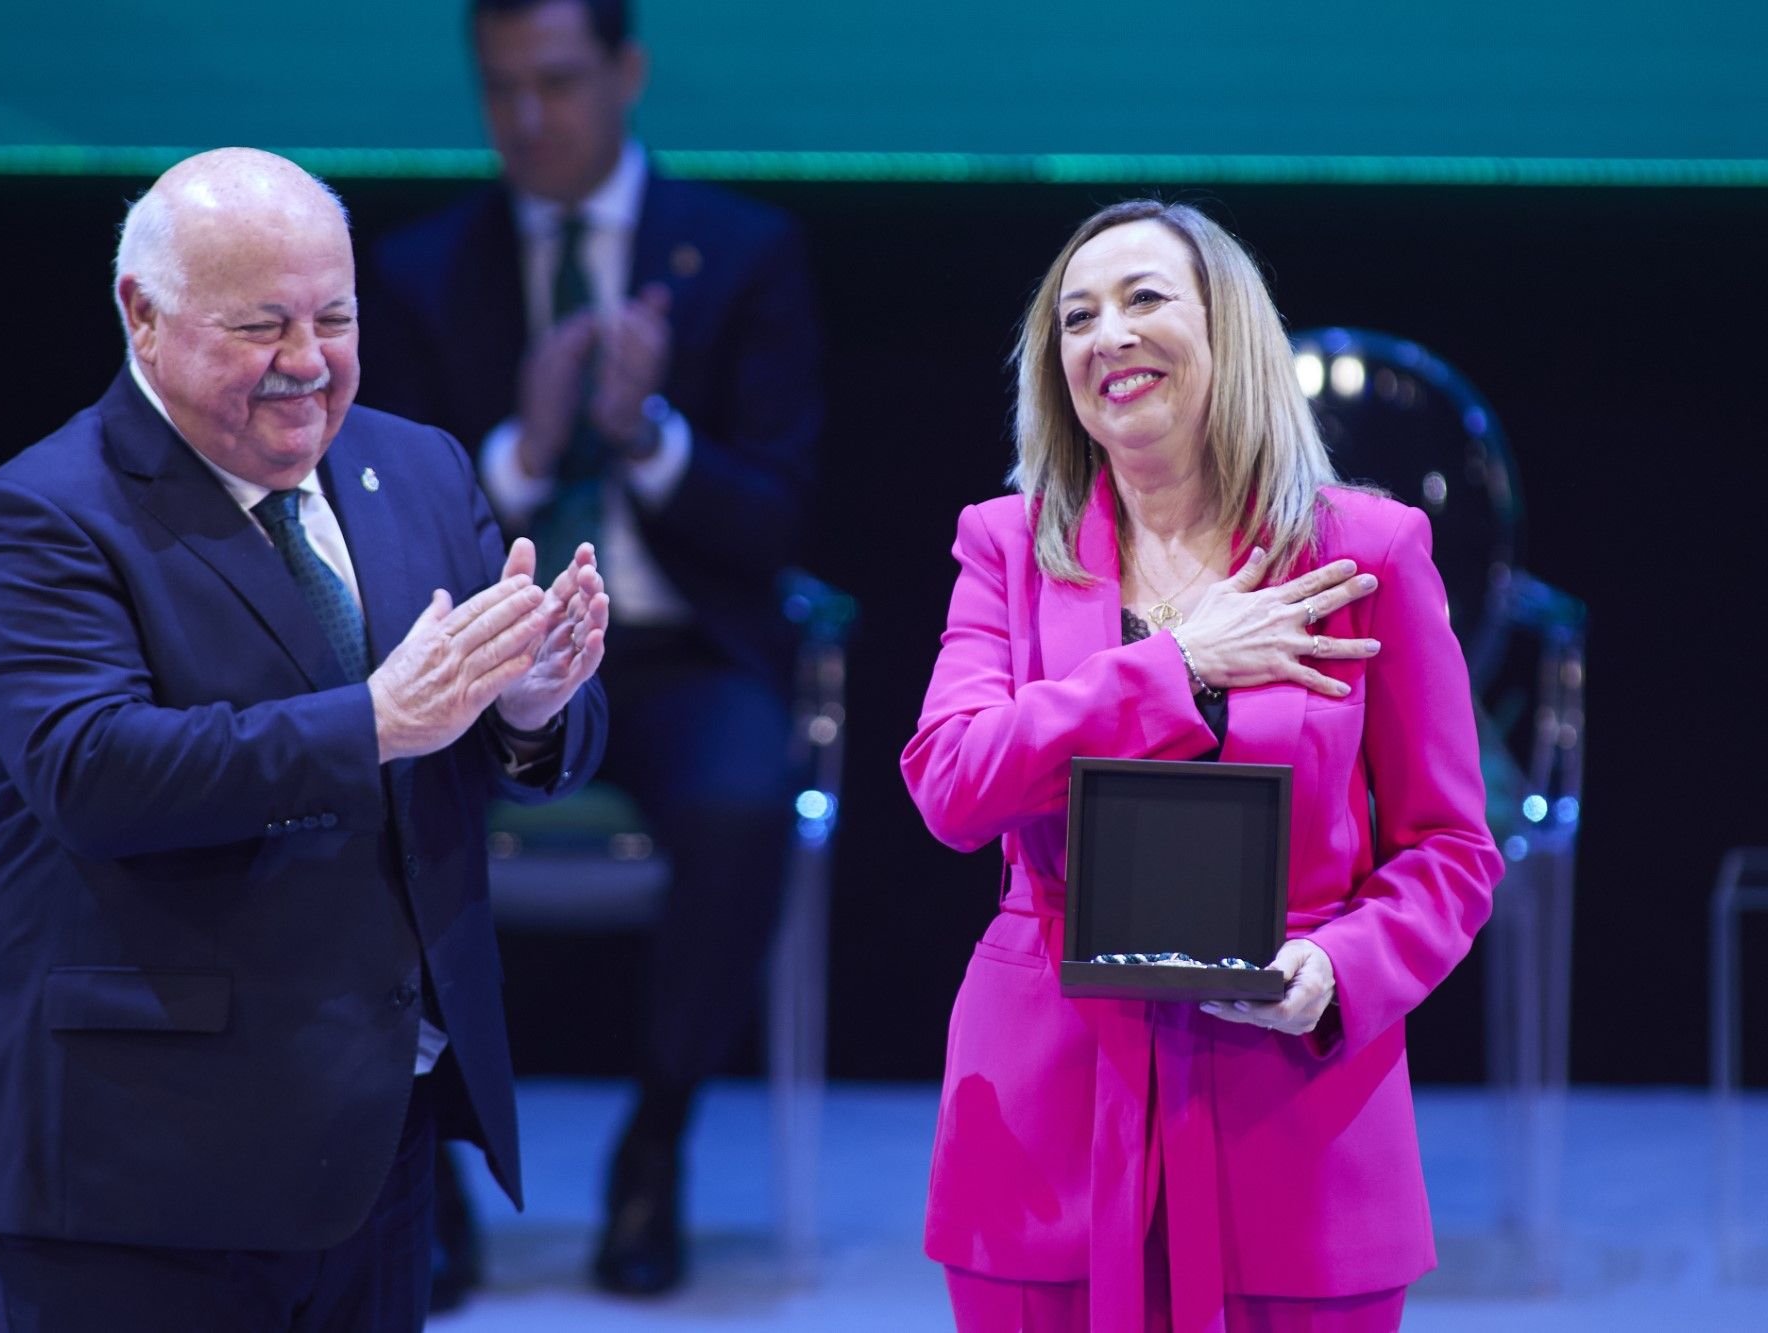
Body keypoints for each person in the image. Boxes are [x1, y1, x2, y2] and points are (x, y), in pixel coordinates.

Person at [0, 147, 610, 1333]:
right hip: (138, 1160)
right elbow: (93, 771)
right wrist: (379, 721)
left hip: (374, 1143)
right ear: (141, 316)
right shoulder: (38, 513)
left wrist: (530, 705)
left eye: (335, 317)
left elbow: (471, 723)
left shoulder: (415, 463)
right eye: (260, 326)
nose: (308, 362)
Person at [900, 200, 1503, 1331]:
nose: (1105, 336)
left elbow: (1450, 850)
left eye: (1141, 301)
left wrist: (1332, 972)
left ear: (1225, 332)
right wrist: (1175, 665)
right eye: (1075, 318)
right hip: (1045, 1115)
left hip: (1293, 1111)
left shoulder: (1363, 552)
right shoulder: (1004, 548)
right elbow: (951, 784)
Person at [358, 0, 824, 1300]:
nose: (526, 118)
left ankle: (655, 1145)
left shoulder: (743, 253)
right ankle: (429, 1176)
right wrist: (521, 445)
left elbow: (781, 515)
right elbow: (384, 522)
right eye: (500, 87)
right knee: (377, 794)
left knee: (746, 802)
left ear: (626, 74)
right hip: (481, 649)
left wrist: (648, 434)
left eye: (557, 83)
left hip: (677, 646)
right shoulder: (419, 270)